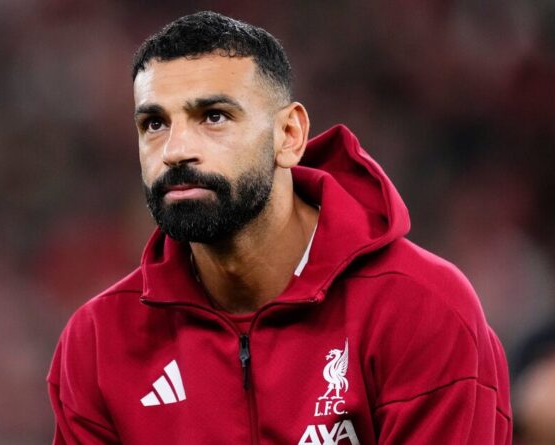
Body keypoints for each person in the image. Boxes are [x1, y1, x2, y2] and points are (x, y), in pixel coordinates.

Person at [48, 11, 512, 444]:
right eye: (154, 124)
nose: (174, 151)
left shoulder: (419, 308)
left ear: (289, 135)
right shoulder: (98, 344)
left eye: (213, 117)